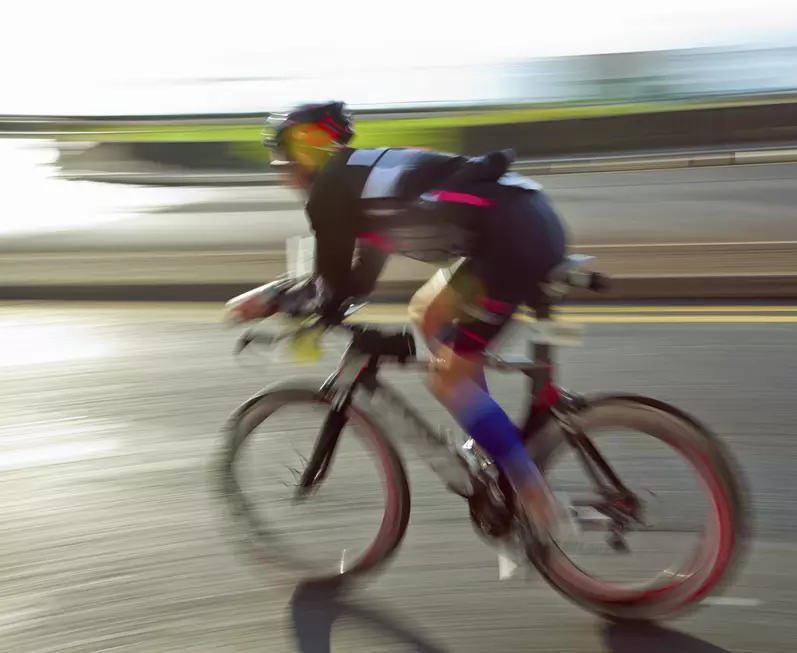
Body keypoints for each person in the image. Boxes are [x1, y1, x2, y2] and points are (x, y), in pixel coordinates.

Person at [236, 100, 568, 539]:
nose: (281, 173)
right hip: (522, 219)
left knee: (447, 378)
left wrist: (270, 299)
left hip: (511, 242)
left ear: (305, 151)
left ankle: (532, 494)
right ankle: (492, 443)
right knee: (427, 315)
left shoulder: (330, 191)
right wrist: (308, 303)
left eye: (282, 160)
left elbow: (329, 290)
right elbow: (353, 284)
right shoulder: (359, 178)